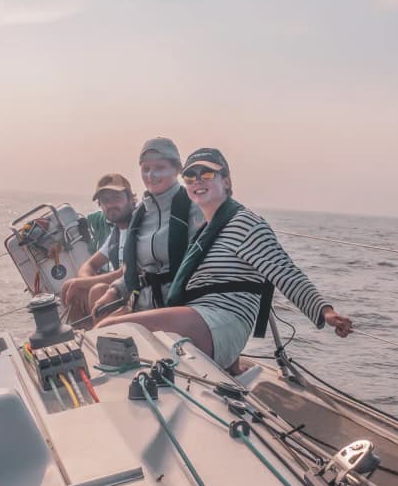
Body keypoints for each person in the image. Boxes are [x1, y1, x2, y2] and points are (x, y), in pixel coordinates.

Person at [98, 147, 352, 370]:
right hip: (203, 316)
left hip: (221, 320)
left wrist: (324, 311)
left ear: (226, 181)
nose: (198, 180)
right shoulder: (207, 229)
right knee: (115, 330)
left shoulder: (244, 223)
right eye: (190, 175)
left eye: (207, 173)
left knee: (110, 329)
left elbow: (284, 271)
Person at [91, 137, 205, 318]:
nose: (151, 176)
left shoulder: (195, 208)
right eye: (146, 169)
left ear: (177, 170)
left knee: (105, 327)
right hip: (142, 307)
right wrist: (113, 291)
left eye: (160, 168)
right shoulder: (139, 215)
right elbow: (136, 272)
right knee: (99, 327)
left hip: (181, 309)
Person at [60, 173, 135, 321]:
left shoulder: (138, 227)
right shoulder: (117, 232)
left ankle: (100, 338)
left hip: (136, 293)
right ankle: (83, 335)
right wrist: (83, 283)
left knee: (97, 290)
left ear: (131, 199)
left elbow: (125, 273)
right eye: (105, 200)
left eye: (116, 198)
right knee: (72, 287)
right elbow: (90, 264)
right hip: (119, 290)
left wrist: (82, 283)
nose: (111, 205)